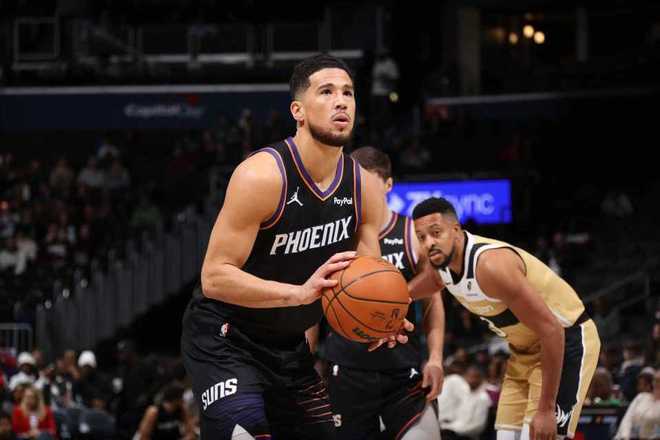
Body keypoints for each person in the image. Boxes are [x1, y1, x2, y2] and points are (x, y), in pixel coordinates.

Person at [181, 54, 412, 440]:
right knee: (247, 432)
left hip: (289, 345)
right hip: (226, 336)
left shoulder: (364, 187)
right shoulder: (261, 176)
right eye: (327, 92)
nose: (341, 102)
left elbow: (367, 275)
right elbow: (215, 278)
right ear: (298, 111)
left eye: (348, 93)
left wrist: (382, 317)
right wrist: (300, 294)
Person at [409, 197, 601, 440]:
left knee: (541, 434)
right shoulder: (442, 266)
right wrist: (393, 299)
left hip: (565, 341)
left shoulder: (491, 266)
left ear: (456, 230)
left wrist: (546, 409)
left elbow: (552, 330)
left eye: (436, 233)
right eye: (421, 237)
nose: (429, 243)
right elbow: (432, 282)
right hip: (523, 352)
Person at [320, 146, 443, 440]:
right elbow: (315, 302)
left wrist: (436, 358)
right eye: (355, 185)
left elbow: (434, 300)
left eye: (369, 185)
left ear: (388, 185)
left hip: (403, 370)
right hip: (346, 370)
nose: (362, 193)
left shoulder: (411, 233)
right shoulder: (335, 234)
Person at [439, 365, 491, 440]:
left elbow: (477, 427)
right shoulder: (465, 394)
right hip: (453, 431)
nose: (471, 380)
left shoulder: (483, 398)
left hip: (465, 436)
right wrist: (447, 425)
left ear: (481, 379)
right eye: (469, 376)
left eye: (475, 377)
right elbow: (457, 418)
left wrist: (453, 429)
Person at [615, 369, 660, 439]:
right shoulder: (641, 397)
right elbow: (627, 419)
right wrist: (625, 436)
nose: (656, 383)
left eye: (659, 381)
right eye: (655, 380)